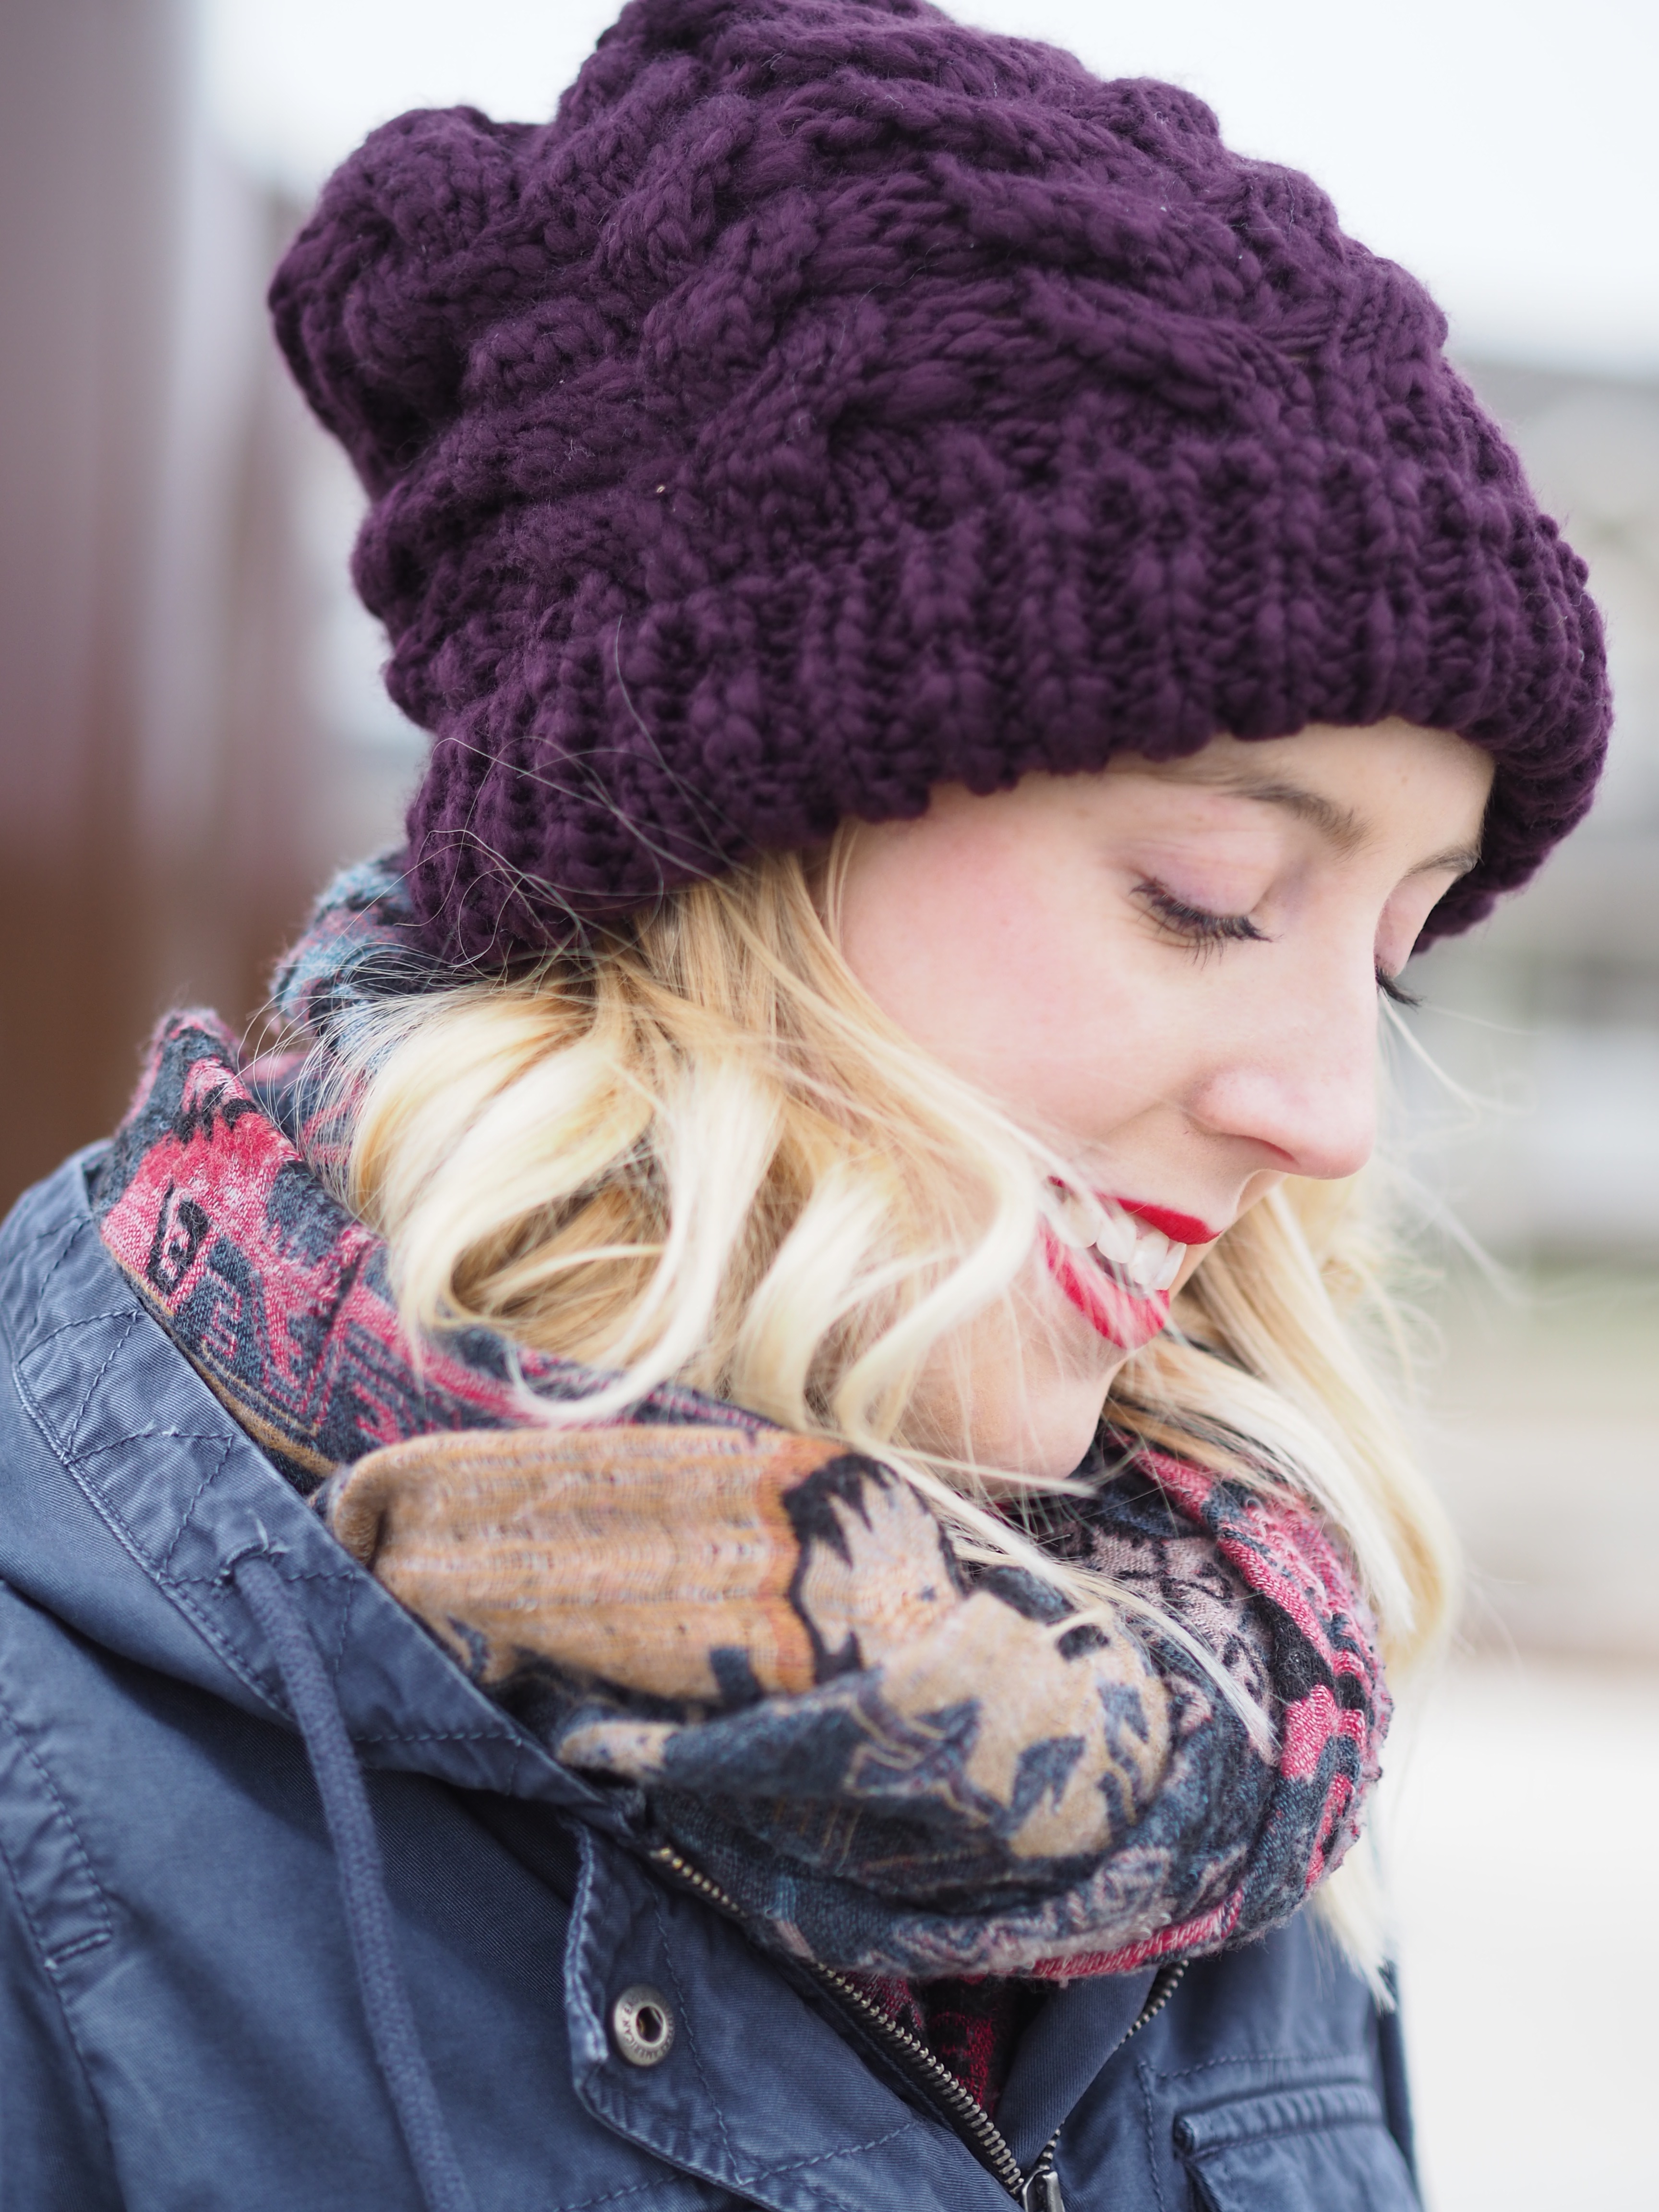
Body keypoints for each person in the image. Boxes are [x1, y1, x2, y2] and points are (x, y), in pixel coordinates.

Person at [0, 2, 1609, 2207]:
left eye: (1401, 948)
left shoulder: (1222, 1713)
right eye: (1211, 897)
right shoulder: (47, 1794)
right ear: (718, 852)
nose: (1335, 1112)